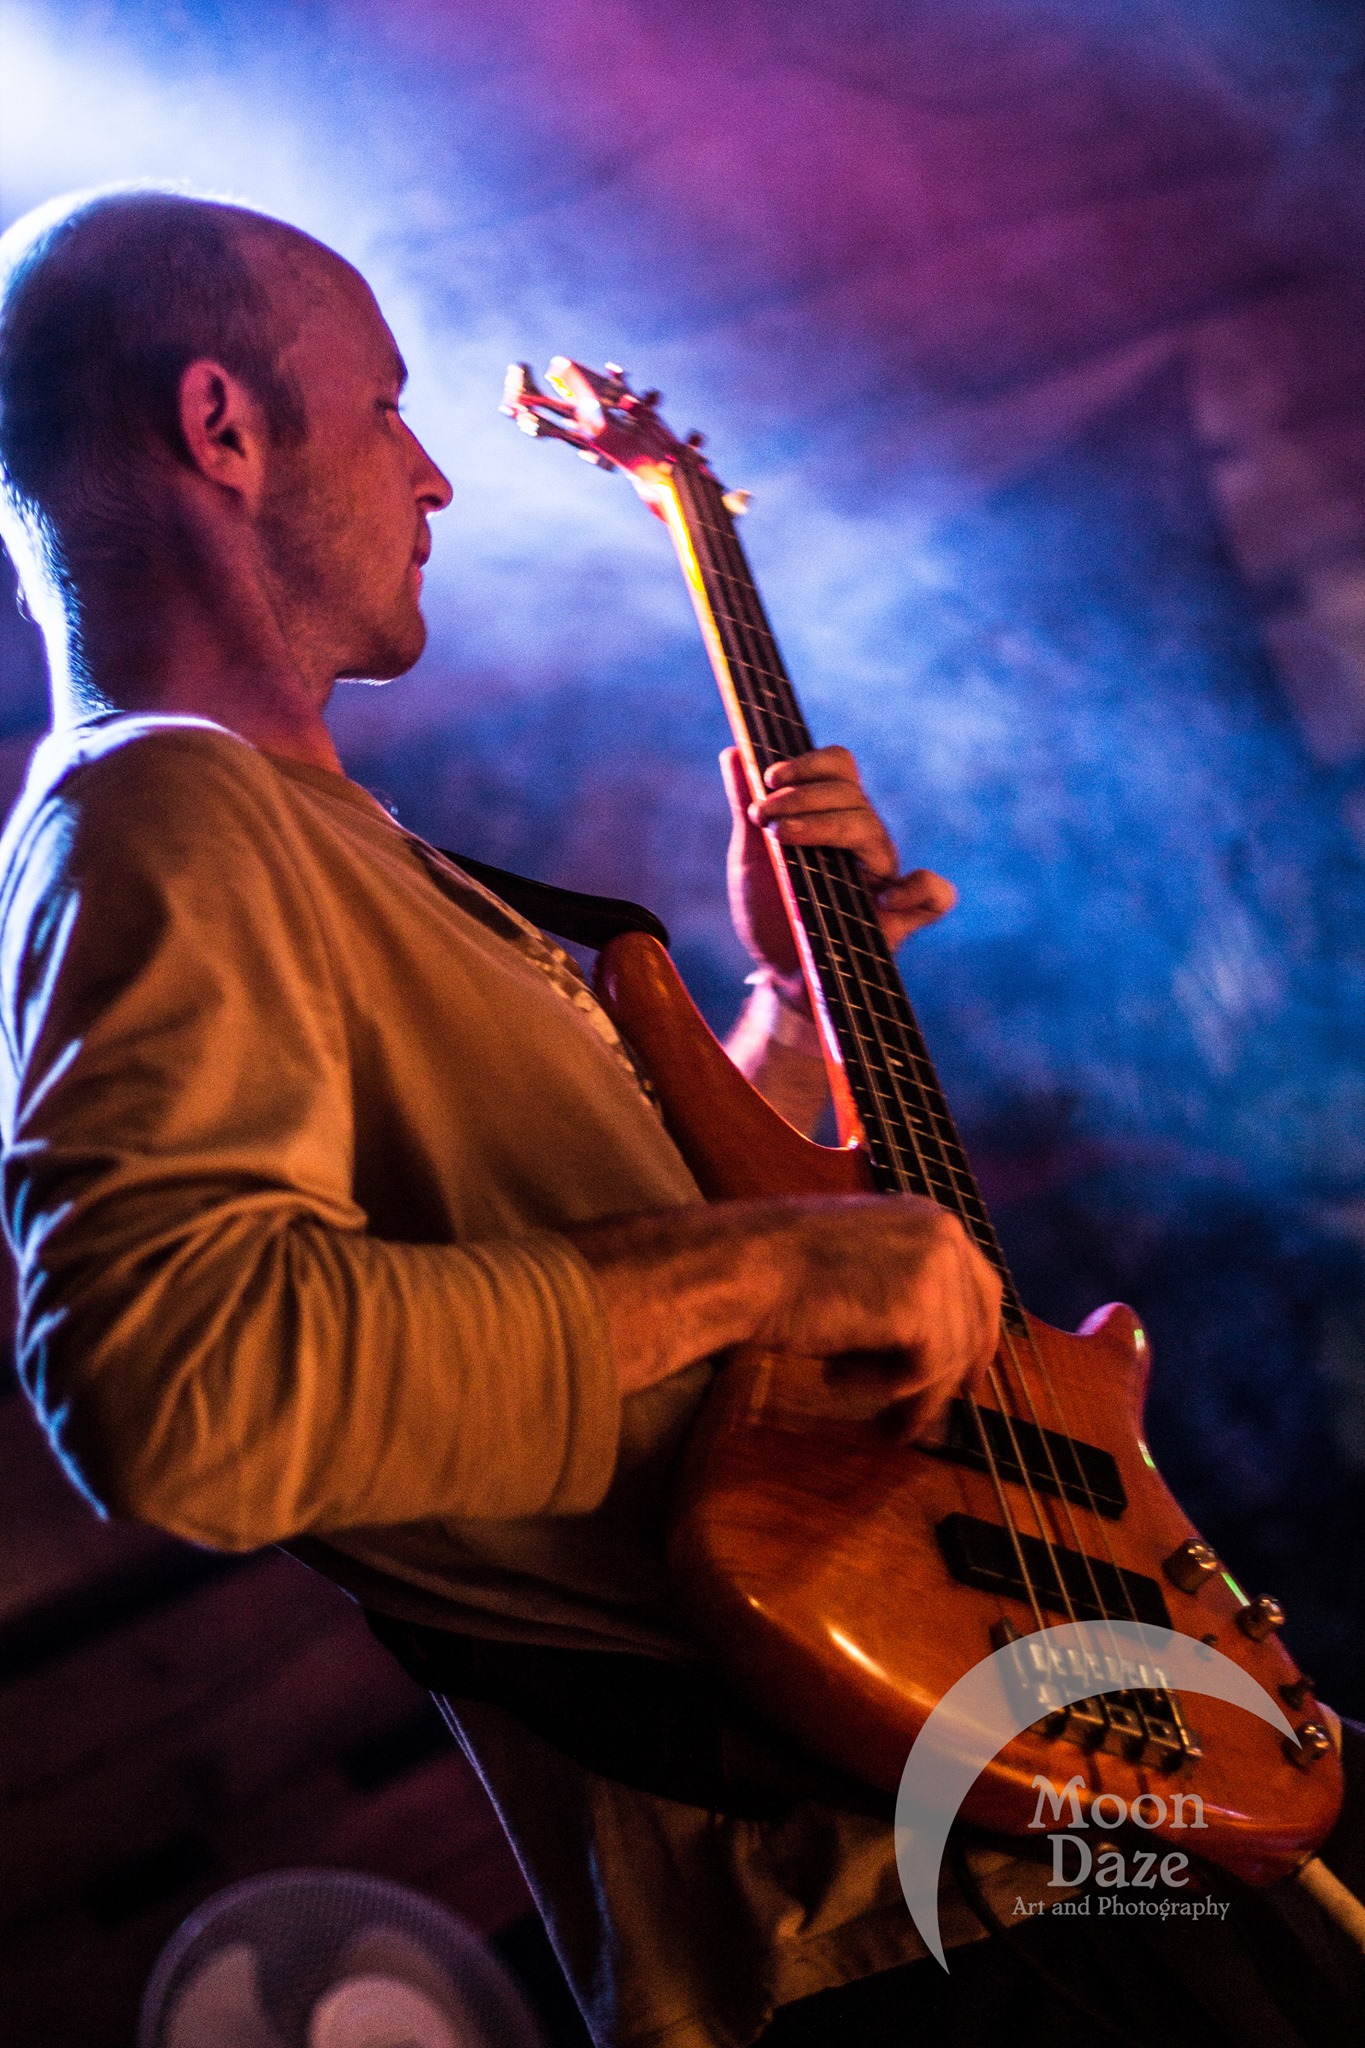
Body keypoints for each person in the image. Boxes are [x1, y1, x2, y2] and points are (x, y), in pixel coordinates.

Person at [0, 190, 1358, 2048]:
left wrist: (794, 1017)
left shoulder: (316, 840)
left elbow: (651, 1278)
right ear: (222, 427)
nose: (436, 478)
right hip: (878, 1938)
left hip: (1016, 1845)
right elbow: (178, 1388)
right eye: (387, 407)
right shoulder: (155, 815)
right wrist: (772, 1265)